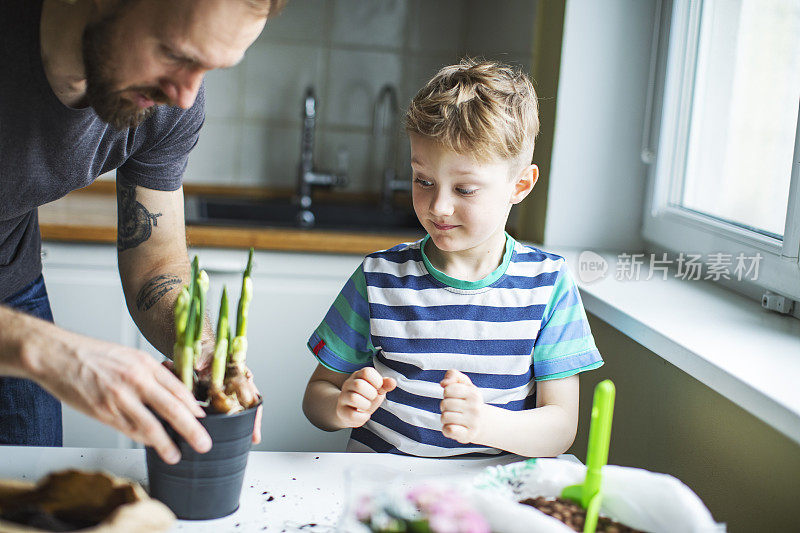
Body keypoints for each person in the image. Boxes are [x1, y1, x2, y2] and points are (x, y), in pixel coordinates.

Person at [0, 0, 285, 463]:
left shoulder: (167, 103)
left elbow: (155, 262)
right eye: (175, 54)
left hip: (10, 280)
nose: (186, 96)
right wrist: (53, 353)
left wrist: (203, 351)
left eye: (208, 69)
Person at [302, 59, 604, 457]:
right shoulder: (378, 278)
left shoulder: (548, 285)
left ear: (520, 185)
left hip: (485, 500)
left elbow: (561, 428)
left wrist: (488, 424)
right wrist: (341, 408)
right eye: (423, 181)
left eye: (464, 189)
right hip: (380, 494)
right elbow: (317, 395)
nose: (438, 206)